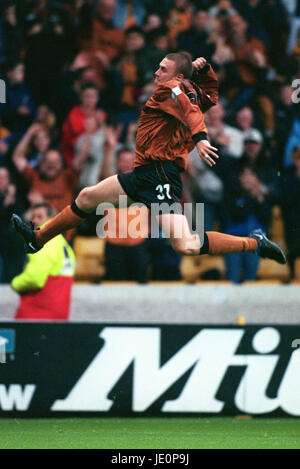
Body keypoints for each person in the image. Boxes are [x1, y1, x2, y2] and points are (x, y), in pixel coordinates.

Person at [11, 52, 286, 266]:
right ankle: (38, 239)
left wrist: (201, 138)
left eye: (163, 69)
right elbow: (211, 96)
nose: (157, 72)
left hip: (161, 177)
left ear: (176, 75)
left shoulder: (173, 90)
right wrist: (206, 70)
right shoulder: (189, 93)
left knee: (186, 245)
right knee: (85, 197)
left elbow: (192, 112)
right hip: (143, 174)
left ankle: (255, 244)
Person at [11, 203, 75, 320]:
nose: (35, 220)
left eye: (40, 217)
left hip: (36, 313)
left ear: (53, 219)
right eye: (33, 217)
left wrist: (15, 283)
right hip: (59, 314)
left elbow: (35, 279)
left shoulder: (43, 243)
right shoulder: (63, 244)